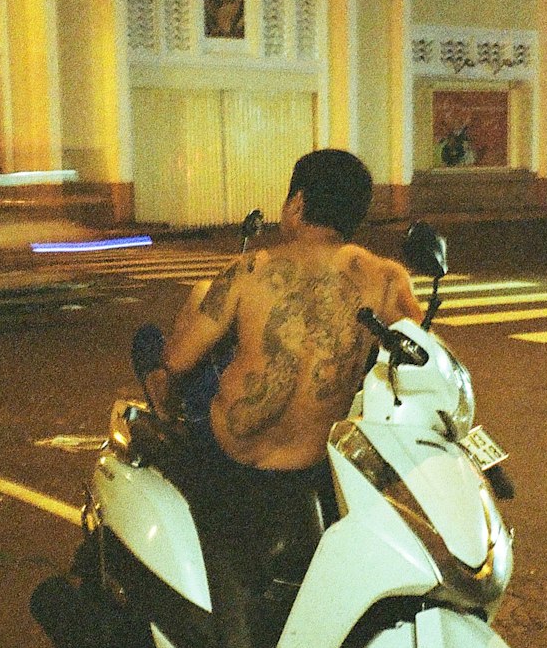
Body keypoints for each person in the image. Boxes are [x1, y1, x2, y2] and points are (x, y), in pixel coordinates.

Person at [145, 147, 423, 521]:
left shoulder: (249, 269)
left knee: (149, 342)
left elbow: (179, 360)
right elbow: (420, 356)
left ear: (297, 202)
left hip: (229, 447)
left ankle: (165, 422)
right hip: (309, 457)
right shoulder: (387, 279)